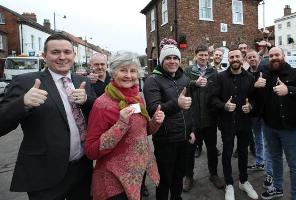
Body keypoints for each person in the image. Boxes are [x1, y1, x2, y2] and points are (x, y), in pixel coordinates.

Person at [0, 33, 95, 200]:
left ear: (73, 55)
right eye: (55, 52)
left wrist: (87, 101)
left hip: (82, 170)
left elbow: (95, 115)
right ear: (44, 56)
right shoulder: (25, 82)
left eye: (67, 52)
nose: (62, 57)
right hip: (44, 173)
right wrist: (23, 103)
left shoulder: (82, 81)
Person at [84, 51, 164, 200]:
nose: (129, 75)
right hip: (113, 182)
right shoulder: (102, 105)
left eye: (133, 70)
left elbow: (142, 132)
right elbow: (91, 151)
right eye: (123, 70)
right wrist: (120, 124)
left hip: (136, 176)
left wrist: (155, 122)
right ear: (113, 73)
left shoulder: (137, 98)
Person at [143, 44, 195, 200]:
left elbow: (189, 107)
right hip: (166, 139)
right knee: (165, 178)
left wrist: (191, 130)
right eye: (168, 58)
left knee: (179, 174)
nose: (172, 61)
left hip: (184, 137)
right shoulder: (152, 80)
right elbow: (153, 109)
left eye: (175, 58)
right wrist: (176, 104)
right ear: (161, 60)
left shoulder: (184, 78)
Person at [255, 47, 296, 200]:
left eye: (277, 54)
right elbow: (259, 99)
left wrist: (289, 90)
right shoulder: (265, 74)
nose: (274, 57)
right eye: (271, 55)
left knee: (294, 164)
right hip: (270, 127)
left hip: (290, 128)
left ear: (283, 56)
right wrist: (256, 87)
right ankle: (278, 188)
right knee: (275, 159)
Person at [210, 49, 258, 200]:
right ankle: (229, 184)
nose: (234, 59)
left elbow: (256, 99)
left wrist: (250, 106)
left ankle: (243, 181)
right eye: (231, 57)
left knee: (243, 153)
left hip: (244, 123)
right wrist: (224, 105)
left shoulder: (250, 77)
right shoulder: (220, 77)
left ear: (242, 58)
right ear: (228, 59)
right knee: (227, 153)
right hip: (227, 123)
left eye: (237, 56)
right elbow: (212, 99)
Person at [183, 44, 225, 192]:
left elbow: (217, 93)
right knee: (190, 150)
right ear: (195, 55)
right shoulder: (188, 71)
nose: (204, 58)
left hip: (209, 119)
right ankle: (189, 176)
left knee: (212, 149)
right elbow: (182, 88)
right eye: (201, 55)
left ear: (209, 56)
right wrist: (195, 83)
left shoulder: (213, 72)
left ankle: (213, 174)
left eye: (206, 55)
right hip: (192, 119)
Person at [245, 49, 274, 190]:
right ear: (247, 60)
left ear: (259, 58)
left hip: (267, 113)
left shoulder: (267, 71)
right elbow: (245, 92)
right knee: (257, 139)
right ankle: (260, 162)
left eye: (254, 57)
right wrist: (253, 86)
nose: (252, 59)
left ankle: (270, 173)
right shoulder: (247, 74)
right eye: (249, 57)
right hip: (254, 113)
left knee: (269, 143)